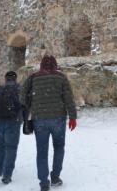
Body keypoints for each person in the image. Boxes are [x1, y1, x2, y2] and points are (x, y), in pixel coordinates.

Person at [21, 55, 77, 191]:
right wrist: (73, 117)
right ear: (55, 65)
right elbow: (68, 97)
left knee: (41, 151)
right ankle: (55, 177)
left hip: (39, 119)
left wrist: (31, 104)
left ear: (41, 65)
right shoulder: (61, 77)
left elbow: (22, 96)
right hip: (58, 119)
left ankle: (44, 182)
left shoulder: (33, 77)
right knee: (59, 147)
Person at [0, 70, 24, 185]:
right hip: (13, 122)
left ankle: (0, 169)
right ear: (15, 79)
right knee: (11, 148)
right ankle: (7, 175)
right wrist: (23, 120)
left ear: (5, 79)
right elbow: (25, 106)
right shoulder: (19, 90)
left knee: (0, 144)